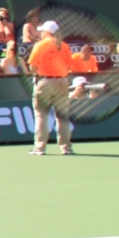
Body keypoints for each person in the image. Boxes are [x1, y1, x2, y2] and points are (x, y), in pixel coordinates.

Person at [26, 19, 74, 156]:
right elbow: (69, 66)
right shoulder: (64, 46)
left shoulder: (40, 45)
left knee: (41, 116)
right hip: (62, 82)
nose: (40, 33)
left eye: (42, 31)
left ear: (47, 32)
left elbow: (32, 67)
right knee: (62, 117)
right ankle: (66, 148)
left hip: (45, 82)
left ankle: (40, 148)